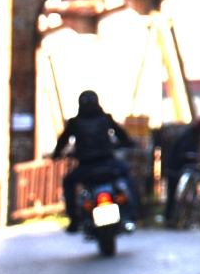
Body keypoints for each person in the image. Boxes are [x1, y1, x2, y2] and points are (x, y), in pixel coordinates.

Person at [52, 90, 139, 232]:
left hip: (86, 168)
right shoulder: (105, 118)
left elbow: (62, 141)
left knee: (68, 182)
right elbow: (122, 135)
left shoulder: (75, 123)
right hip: (108, 163)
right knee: (126, 173)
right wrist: (125, 143)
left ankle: (73, 219)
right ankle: (134, 210)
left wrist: (57, 154)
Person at [161, 113, 200, 228]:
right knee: (172, 194)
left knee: (174, 194)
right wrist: (198, 155)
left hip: (178, 168)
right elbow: (185, 152)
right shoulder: (189, 135)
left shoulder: (192, 134)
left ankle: (177, 218)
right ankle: (169, 219)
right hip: (175, 168)